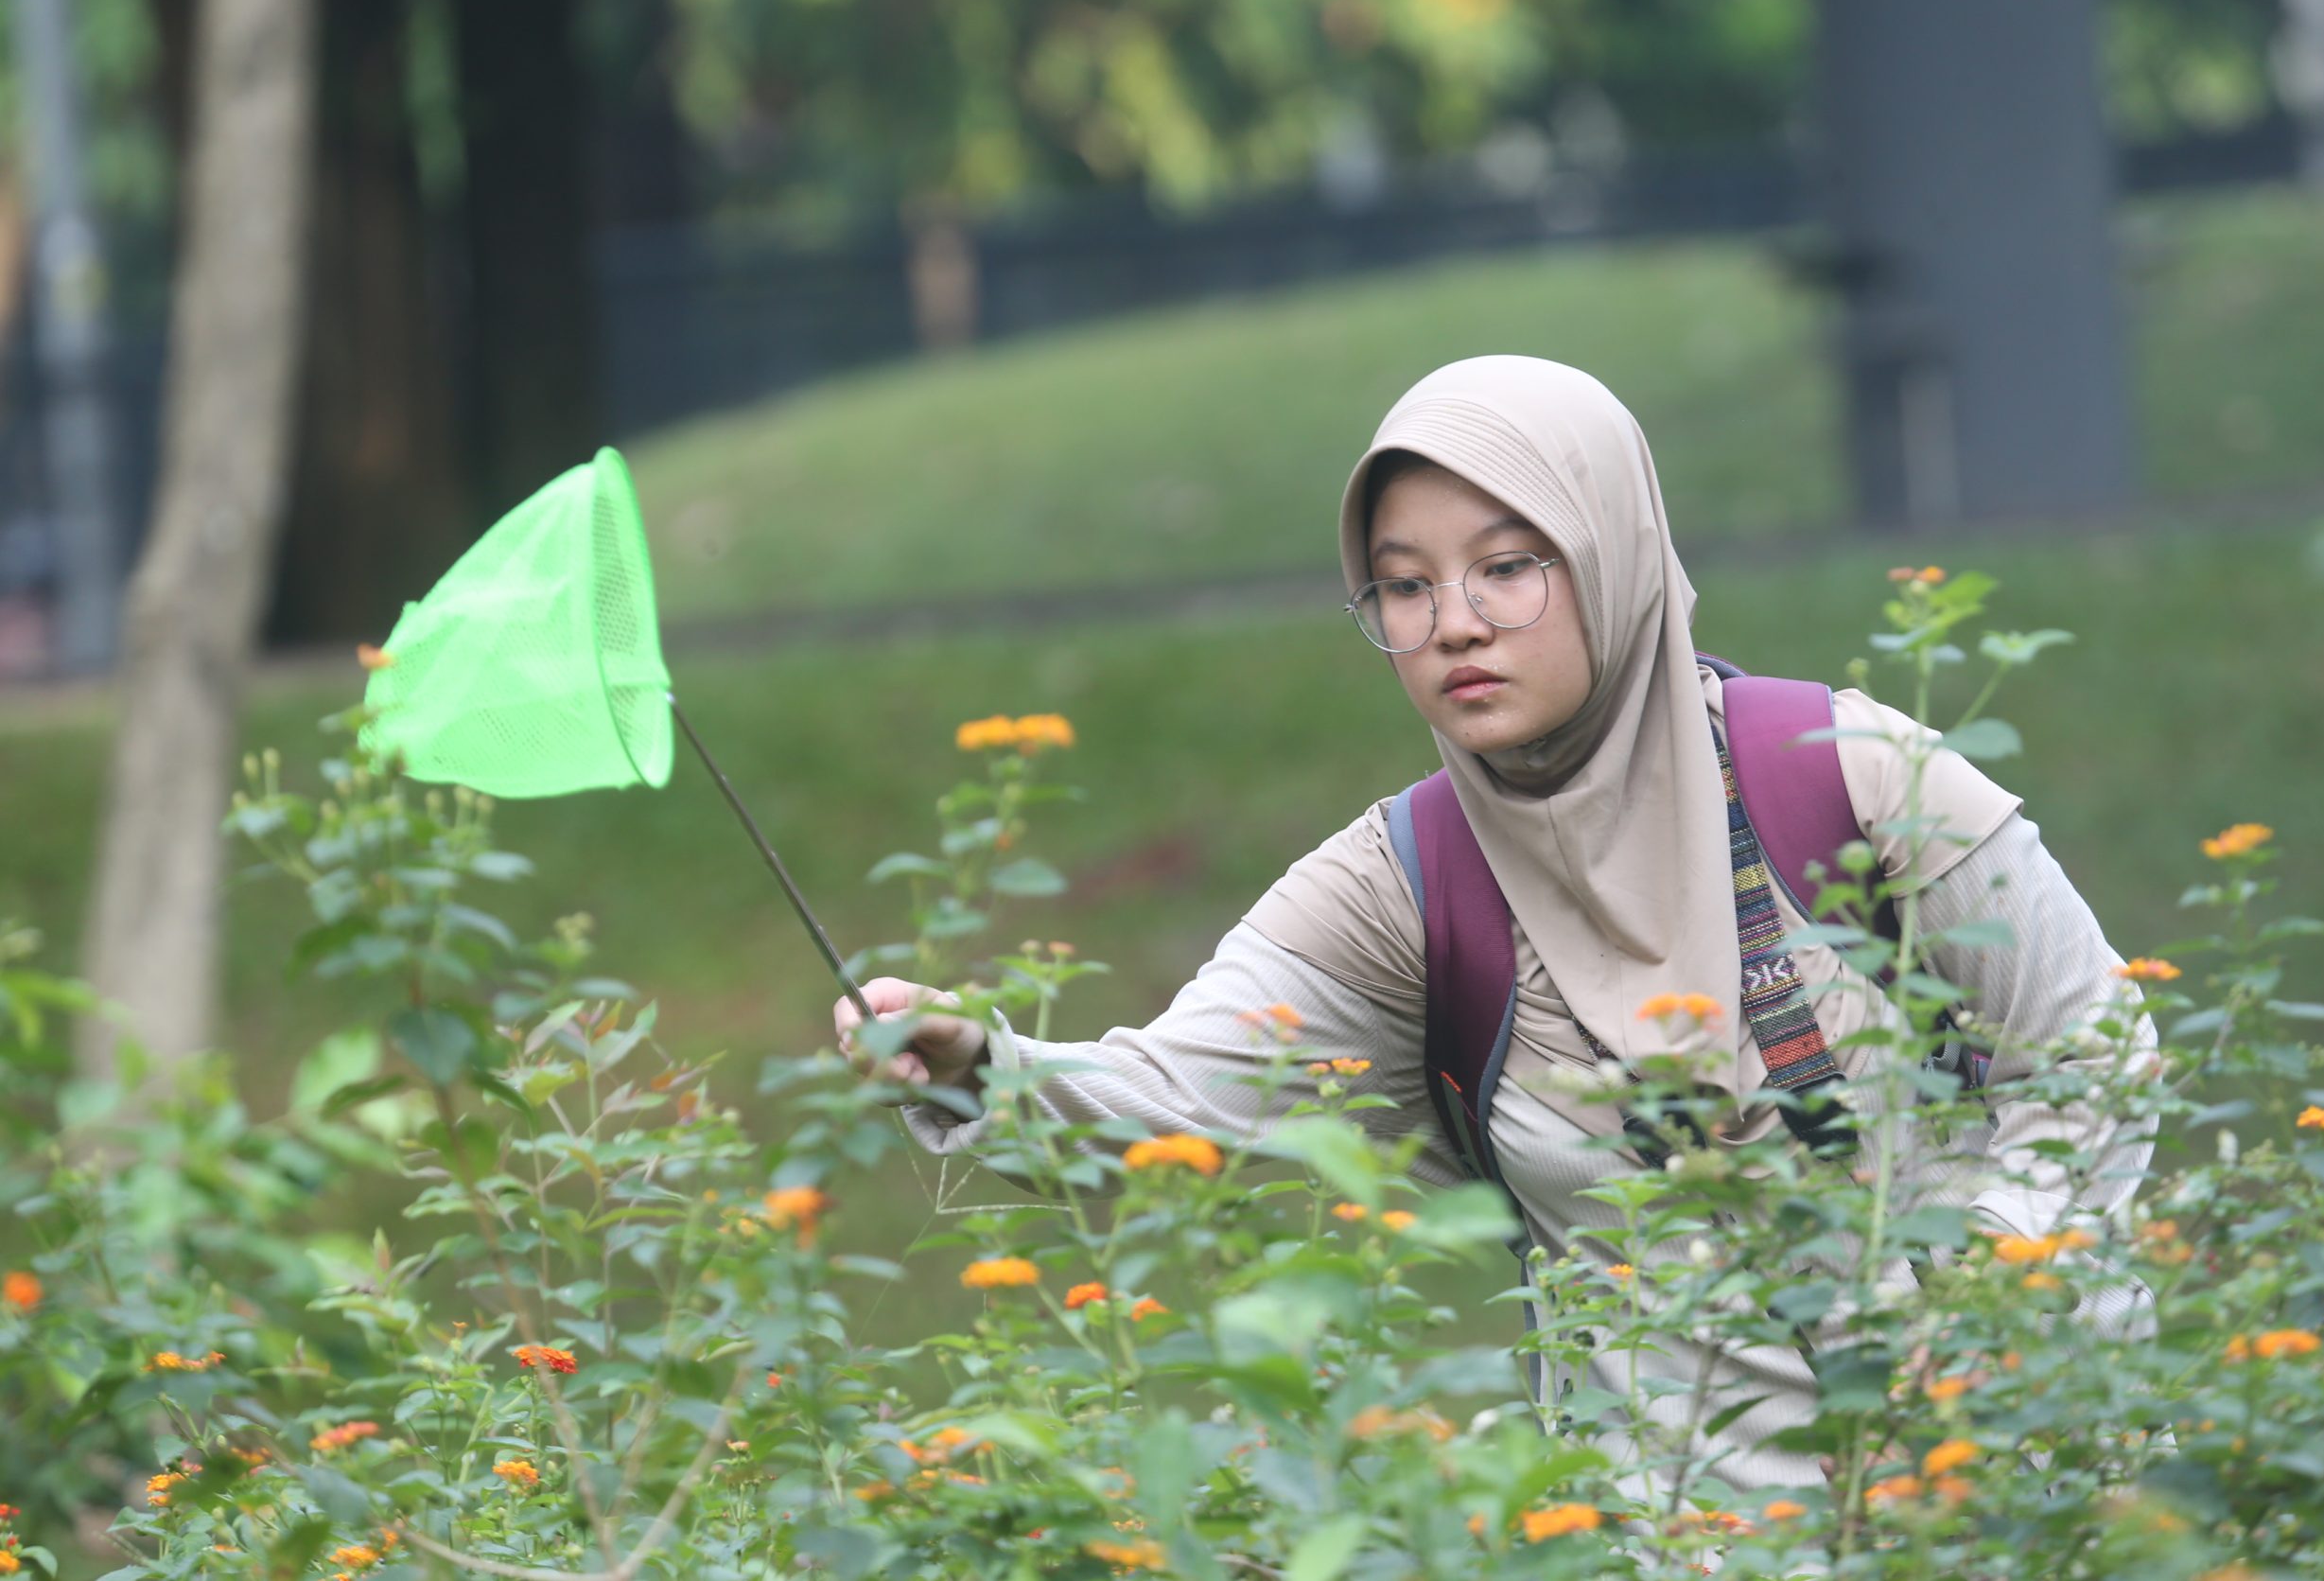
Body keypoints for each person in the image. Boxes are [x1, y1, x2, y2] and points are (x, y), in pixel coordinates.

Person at [834, 355, 2156, 1497]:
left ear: (1609, 553)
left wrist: (1992, 1301)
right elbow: (1169, 1103)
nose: (1454, 624)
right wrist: (975, 1062)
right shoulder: (1404, 887)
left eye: (1508, 568)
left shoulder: (1846, 774)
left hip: (2005, 1503)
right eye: (1403, 587)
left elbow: (2094, 1050)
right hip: (1678, 1545)